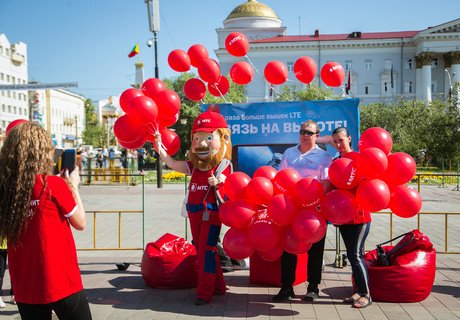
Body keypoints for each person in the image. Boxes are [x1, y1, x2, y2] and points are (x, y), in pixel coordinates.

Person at [0, 122, 92, 320]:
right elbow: (81, 223)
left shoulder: (5, 189)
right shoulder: (53, 185)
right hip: (62, 280)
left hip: (25, 283)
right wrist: (73, 186)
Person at [155, 110, 232, 305]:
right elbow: (173, 164)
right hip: (194, 212)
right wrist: (160, 148)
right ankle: (219, 286)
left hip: (212, 214)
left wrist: (218, 181)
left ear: (222, 138)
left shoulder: (223, 164)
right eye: (197, 138)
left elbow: (225, 179)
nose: (201, 143)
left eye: (208, 138)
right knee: (204, 249)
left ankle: (204, 293)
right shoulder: (195, 165)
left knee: (207, 250)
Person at [273, 120, 333, 302]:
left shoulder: (323, 156)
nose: (305, 135)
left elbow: (326, 182)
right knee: (288, 248)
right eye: (302, 132)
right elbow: (281, 178)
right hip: (291, 208)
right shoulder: (289, 153)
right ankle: (286, 287)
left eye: (309, 132)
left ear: (316, 136)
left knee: (315, 249)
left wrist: (313, 201)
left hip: (314, 209)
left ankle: (313, 287)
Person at [330, 127, 372, 308]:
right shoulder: (335, 161)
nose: (339, 144)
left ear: (349, 138)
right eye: (335, 142)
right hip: (344, 218)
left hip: (360, 216)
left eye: (341, 140)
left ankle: (366, 294)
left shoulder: (359, 159)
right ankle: (358, 291)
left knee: (355, 256)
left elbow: (368, 185)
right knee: (353, 255)